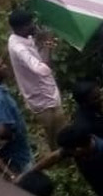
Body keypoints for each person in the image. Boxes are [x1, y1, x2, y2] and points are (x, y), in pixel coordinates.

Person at [5, 8, 65, 146]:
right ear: (22, 27)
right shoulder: (19, 48)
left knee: (59, 127)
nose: (34, 25)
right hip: (40, 96)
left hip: (46, 90)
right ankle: (55, 156)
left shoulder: (21, 37)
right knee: (53, 131)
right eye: (30, 24)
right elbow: (42, 70)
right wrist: (48, 44)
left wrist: (41, 40)